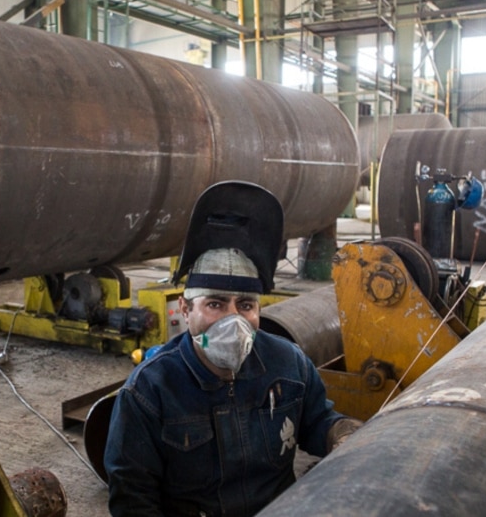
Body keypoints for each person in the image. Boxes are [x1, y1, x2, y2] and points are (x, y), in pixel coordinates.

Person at [104, 181, 362, 516]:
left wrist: (341, 433)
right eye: (215, 304)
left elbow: (318, 421)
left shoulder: (288, 364)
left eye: (245, 305)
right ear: (185, 309)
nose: (233, 320)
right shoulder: (149, 392)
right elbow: (133, 499)